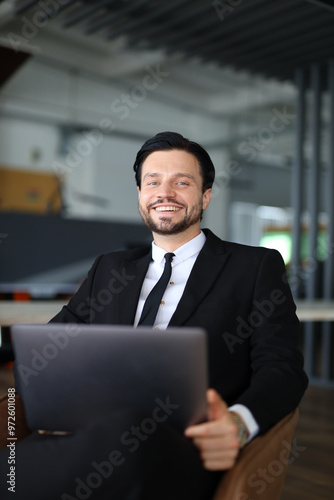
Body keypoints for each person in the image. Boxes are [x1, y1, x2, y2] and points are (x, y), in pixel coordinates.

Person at [1, 131, 308, 500]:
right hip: (87, 437)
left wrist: (239, 423)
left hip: (182, 449)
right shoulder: (109, 269)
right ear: (141, 195)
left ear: (205, 196)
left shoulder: (254, 266)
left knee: (118, 438)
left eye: (182, 182)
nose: (166, 193)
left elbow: (283, 368)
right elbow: (46, 352)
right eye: (153, 182)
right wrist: (51, 406)